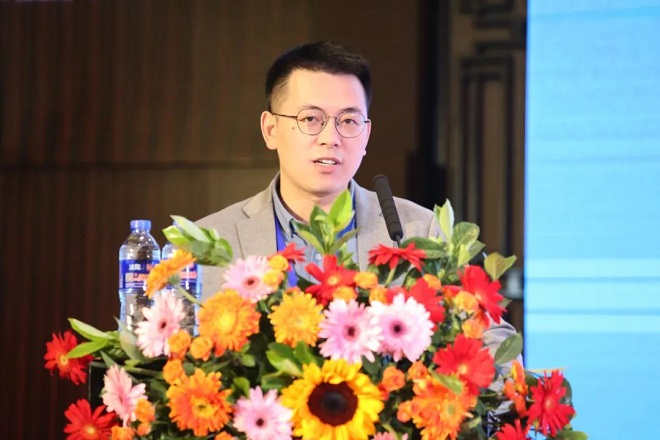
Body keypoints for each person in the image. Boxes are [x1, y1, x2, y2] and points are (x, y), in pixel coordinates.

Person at [197, 41, 517, 355]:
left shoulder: (418, 232)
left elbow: (495, 341)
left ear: (366, 134)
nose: (330, 138)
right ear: (270, 129)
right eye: (310, 119)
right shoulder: (207, 242)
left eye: (348, 121)